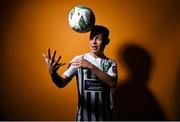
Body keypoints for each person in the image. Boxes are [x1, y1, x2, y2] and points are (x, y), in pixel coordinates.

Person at [42, 25, 118, 121]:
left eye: (98, 39)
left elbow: (112, 83)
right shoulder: (79, 60)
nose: (93, 42)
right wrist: (53, 73)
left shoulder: (111, 63)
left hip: (106, 118)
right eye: (91, 38)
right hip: (83, 119)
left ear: (107, 41)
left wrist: (90, 66)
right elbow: (62, 82)